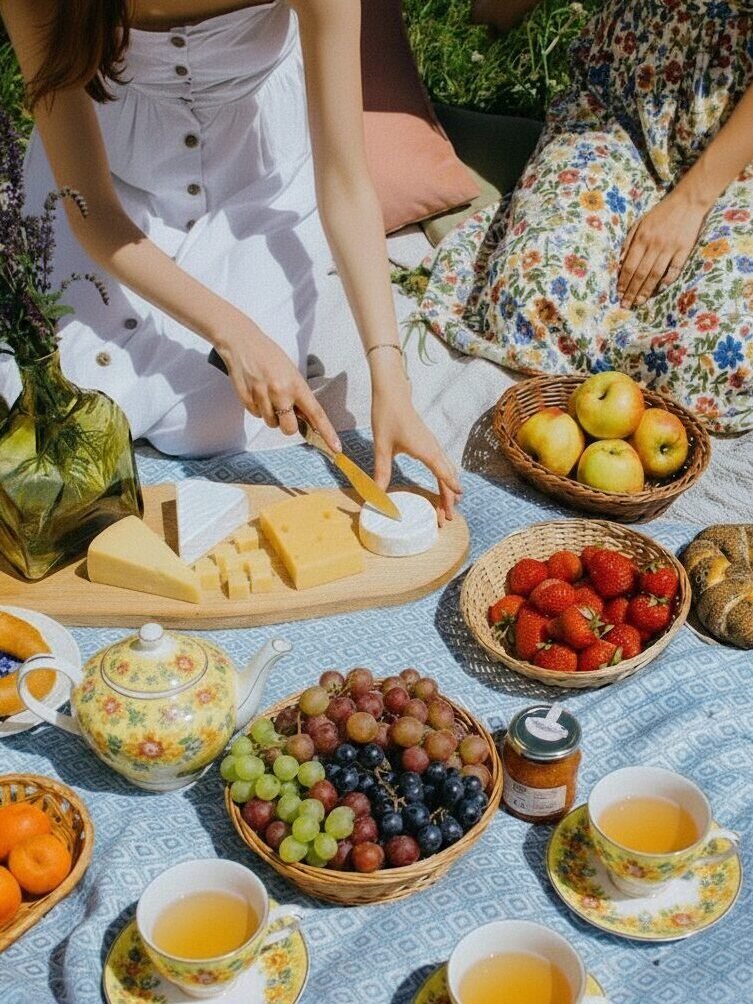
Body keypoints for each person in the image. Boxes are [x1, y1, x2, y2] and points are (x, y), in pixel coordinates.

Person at [0, 0, 461, 516]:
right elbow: (91, 210)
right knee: (53, 396)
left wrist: (389, 381)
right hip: (110, 187)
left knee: (217, 417)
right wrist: (233, 332)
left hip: (254, 186)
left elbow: (346, 184)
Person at [418, 0, 753, 434]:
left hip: (738, 151)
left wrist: (689, 204)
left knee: (714, 355)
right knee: (532, 291)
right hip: (616, 107)